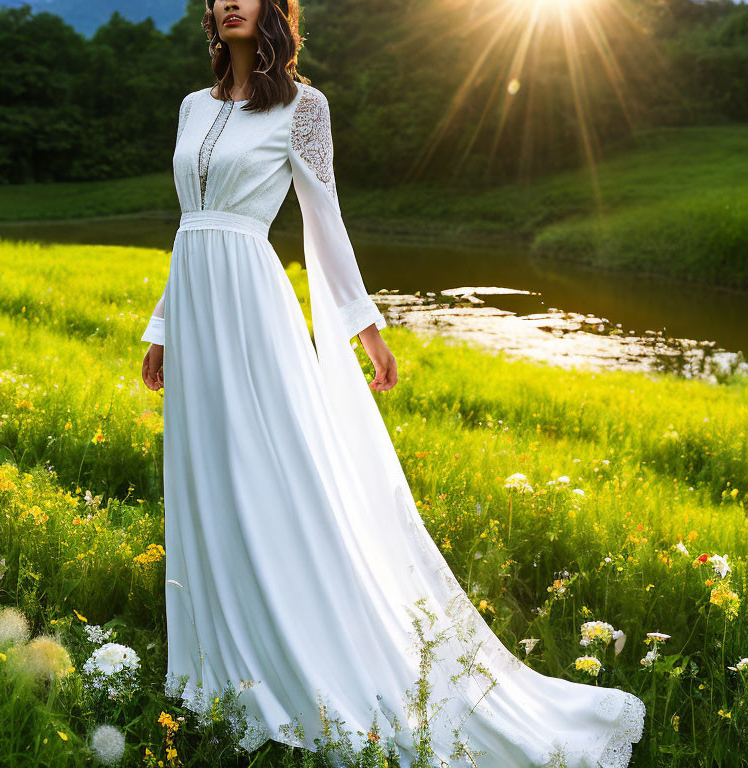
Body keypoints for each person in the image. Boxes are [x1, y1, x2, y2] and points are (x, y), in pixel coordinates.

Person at [140, 1, 646, 765]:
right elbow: (190, 225)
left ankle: (298, 648)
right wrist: (162, 326)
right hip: (197, 309)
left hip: (252, 310)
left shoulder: (305, 107)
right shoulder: (190, 105)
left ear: (274, 7)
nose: (228, 1)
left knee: (271, 479)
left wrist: (364, 328)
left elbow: (325, 219)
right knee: (206, 478)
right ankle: (216, 661)